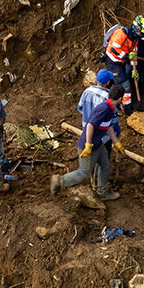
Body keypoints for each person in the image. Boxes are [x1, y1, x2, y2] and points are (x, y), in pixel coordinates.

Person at [49, 71, 124, 201]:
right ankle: (59, 180)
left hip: (98, 143)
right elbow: (90, 125)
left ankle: (102, 193)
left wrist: (116, 142)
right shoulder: (104, 108)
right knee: (84, 172)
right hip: (90, 144)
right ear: (119, 99)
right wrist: (88, 145)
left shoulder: (111, 108)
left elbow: (109, 126)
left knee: (105, 165)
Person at [103, 16, 144, 114]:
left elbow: (134, 55)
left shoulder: (135, 39)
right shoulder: (122, 33)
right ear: (137, 29)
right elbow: (114, 49)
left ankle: (118, 104)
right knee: (125, 85)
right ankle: (127, 108)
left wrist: (134, 68)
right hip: (112, 61)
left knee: (122, 83)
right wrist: (126, 56)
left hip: (121, 62)